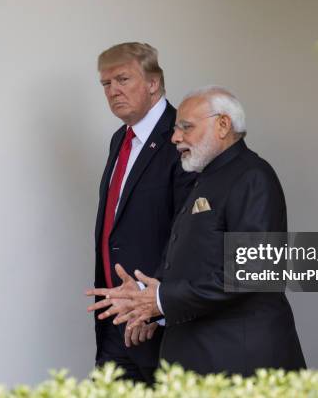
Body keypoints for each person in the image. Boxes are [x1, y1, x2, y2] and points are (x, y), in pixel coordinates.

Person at [88, 86, 306, 376]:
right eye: (176, 128)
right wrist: (145, 298)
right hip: (206, 362)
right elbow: (195, 261)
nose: (175, 137)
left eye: (186, 127)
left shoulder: (252, 176)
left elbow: (253, 270)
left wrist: (161, 300)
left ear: (223, 125)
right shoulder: (206, 178)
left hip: (240, 366)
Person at [92, 42, 193, 383]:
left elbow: (189, 231)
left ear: (153, 83)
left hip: (154, 323)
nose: (113, 91)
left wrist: (153, 303)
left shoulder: (182, 136)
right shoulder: (120, 138)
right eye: (106, 84)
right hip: (114, 316)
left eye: (122, 79)